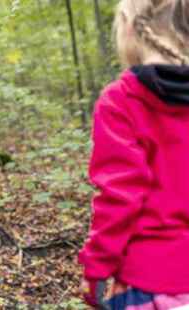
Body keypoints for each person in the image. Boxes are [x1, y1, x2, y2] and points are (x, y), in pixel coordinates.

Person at [78, 0, 189, 309]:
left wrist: (95, 270)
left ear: (129, 28)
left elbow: (120, 196)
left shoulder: (121, 100)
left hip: (149, 282)